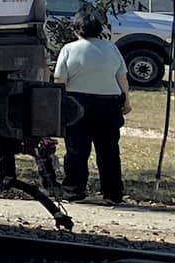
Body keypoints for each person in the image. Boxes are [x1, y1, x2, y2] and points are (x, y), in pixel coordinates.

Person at [52, 14, 128, 204]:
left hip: (77, 103)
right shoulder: (112, 48)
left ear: (76, 29)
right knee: (109, 151)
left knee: (77, 150)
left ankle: (73, 191)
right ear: (99, 29)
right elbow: (122, 78)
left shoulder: (69, 49)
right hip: (109, 103)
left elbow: (59, 79)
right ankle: (112, 193)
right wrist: (126, 102)